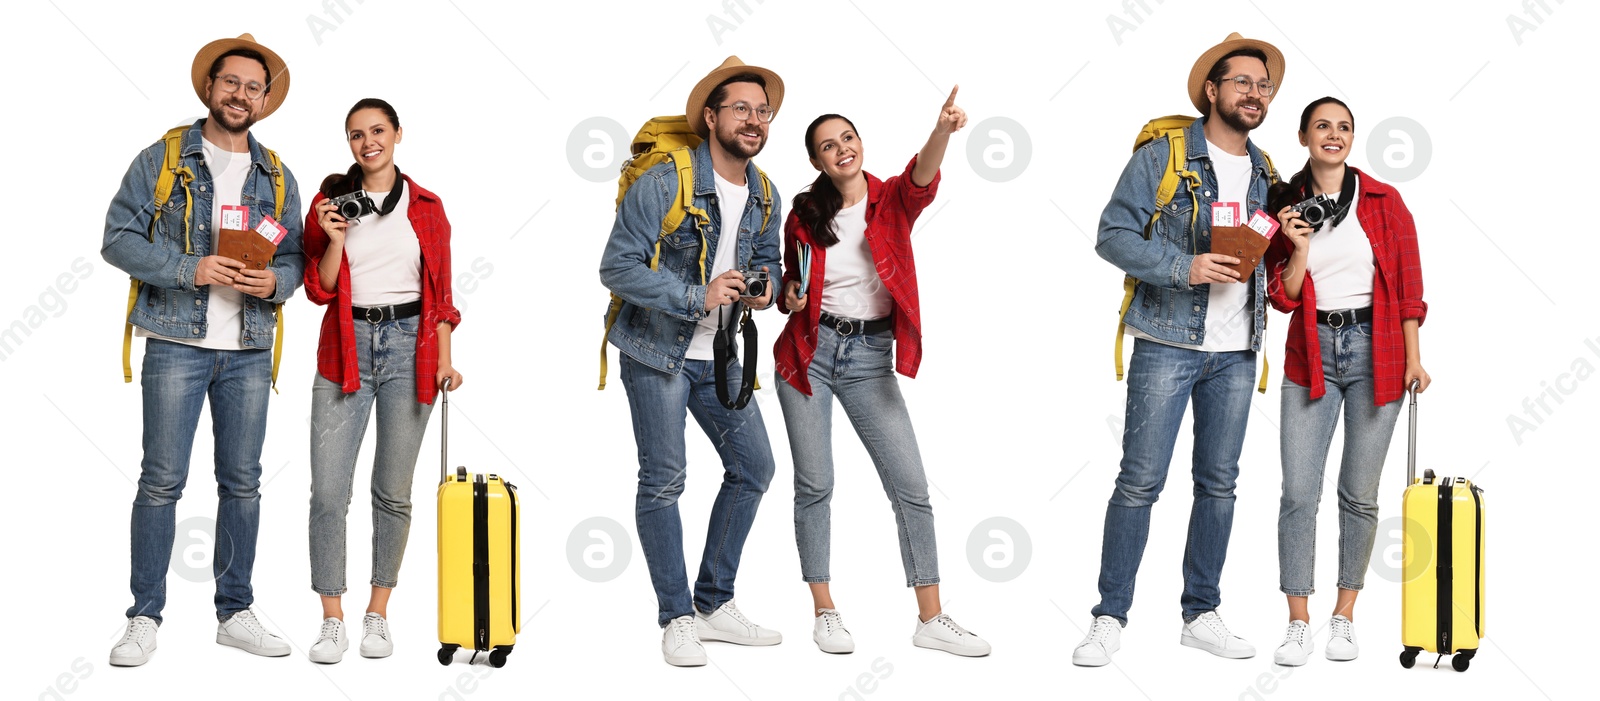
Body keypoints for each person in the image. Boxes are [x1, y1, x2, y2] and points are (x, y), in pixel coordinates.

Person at [1075, 32, 1286, 666]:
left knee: (1219, 484)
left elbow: (1265, 254)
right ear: (1213, 91)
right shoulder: (1164, 154)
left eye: (1264, 85)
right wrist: (1183, 265)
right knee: (1139, 482)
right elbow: (1111, 235)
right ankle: (1109, 617)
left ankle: (1202, 613)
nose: (1255, 93)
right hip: (1167, 342)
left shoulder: (1267, 170)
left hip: (1240, 349)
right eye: (1243, 82)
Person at [101, 33, 304, 666]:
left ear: (264, 100)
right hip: (174, 345)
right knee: (161, 483)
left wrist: (276, 282)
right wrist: (193, 269)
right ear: (209, 88)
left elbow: (295, 257)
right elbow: (117, 240)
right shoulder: (163, 158)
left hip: (247, 349)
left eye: (253, 87)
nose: (240, 95)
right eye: (230, 83)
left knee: (243, 484)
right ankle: (143, 616)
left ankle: (234, 612)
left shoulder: (276, 173)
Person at [774, 90, 989, 658]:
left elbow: (922, 177)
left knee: (911, 489)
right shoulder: (804, 214)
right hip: (809, 354)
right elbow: (788, 282)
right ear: (817, 161)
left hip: (869, 359)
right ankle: (825, 610)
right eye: (828, 146)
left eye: (848, 138)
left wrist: (941, 130)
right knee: (815, 484)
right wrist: (790, 294)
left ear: (859, 144)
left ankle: (931, 618)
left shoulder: (890, 197)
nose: (841, 149)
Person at [598, 56, 785, 667]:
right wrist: (694, 296)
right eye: (740, 109)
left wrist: (768, 288)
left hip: (722, 354)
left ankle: (713, 603)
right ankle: (677, 616)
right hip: (657, 350)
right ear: (711, 117)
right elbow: (617, 268)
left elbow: (769, 262)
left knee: (755, 467)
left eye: (762, 111)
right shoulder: (664, 179)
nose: (753, 120)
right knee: (664, 481)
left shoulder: (765, 191)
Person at [1264, 97, 1430, 666]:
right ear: (1304, 136)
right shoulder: (1282, 205)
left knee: (1359, 495)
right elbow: (1281, 297)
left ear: (1351, 138)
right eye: (1322, 127)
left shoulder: (1385, 200)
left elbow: (1409, 286)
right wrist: (1299, 247)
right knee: (1297, 492)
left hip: (1376, 349)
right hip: (1310, 352)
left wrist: (1413, 358)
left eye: (1343, 127)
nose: (1333, 135)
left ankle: (1344, 615)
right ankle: (1297, 620)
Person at [300, 98, 464, 663]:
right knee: (328, 491)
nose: (367, 141)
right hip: (345, 349)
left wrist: (444, 358)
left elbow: (441, 296)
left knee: (392, 492)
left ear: (397, 134)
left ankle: (377, 612)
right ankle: (331, 618)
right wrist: (335, 239)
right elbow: (318, 290)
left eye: (376, 131)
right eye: (355, 134)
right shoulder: (328, 203)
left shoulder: (427, 206)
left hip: (410, 347)